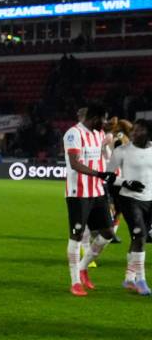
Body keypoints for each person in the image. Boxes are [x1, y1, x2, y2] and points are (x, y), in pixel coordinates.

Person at [63, 103, 117, 296]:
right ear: (94, 118)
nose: (105, 123)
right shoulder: (73, 134)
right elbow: (75, 163)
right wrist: (99, 174)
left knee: (108, 232)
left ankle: (82, 267)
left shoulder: (99, 134)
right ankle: (75, 282)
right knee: (76, 235)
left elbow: (104, 157)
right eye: (103, 119)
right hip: (78, 193)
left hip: (97, 191)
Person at [108, 119, 152, 295]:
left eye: (139, 130)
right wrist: (125, 182)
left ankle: (129, 278)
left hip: (149, 199)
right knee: (139, 235)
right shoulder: (121, 151)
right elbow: (107, 176)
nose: (134, 133)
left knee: (139, 239)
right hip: (129, 199)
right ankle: (141, 280)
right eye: (133, 129)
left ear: (148, 133)